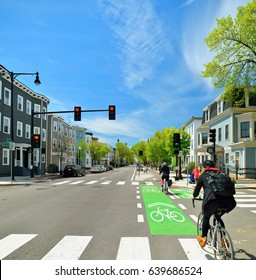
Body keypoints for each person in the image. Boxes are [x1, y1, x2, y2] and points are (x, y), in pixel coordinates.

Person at [192, 160, 236, 247]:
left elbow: (196, 190)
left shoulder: (204, 176)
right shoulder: (222, 174)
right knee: (218, 217)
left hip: (213, 201)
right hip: (229, 202)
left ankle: (204, 238)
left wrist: (194, 196)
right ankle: (223, 238)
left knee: (206, 216)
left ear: (205, 167)